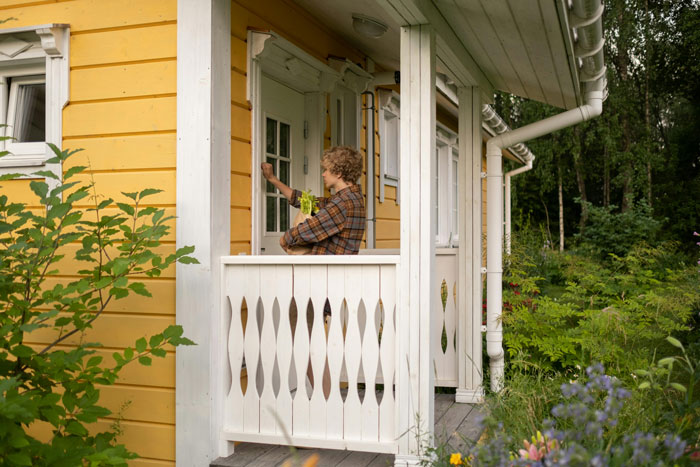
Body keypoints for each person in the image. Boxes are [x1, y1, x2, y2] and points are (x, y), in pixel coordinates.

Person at [261, 145, 366, 255]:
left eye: (326, 170)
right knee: (307, 208)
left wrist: (285, 239)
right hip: (336, 269)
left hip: (328, 270)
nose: (323, 174)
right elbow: (307, 201)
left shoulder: (343, 203)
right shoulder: (351, 198)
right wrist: (272, 179)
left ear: (338, 173)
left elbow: (311, 228)